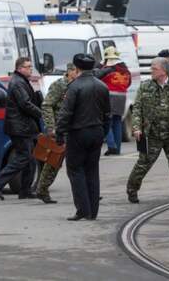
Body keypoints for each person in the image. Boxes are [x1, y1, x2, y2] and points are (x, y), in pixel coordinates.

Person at [126, 57, 169, 206]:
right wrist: (137, 128)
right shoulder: (146, 87)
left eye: (154, 68)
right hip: (152, 134)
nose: (151, 71)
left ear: (163, 71)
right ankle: (132, 190)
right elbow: (137, 108)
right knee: (143, 164)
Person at [56, 54, 110, 221]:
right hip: (97, 132)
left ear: (77, 68)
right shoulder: (102, 86)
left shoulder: (74, 87)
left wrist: (59, 133)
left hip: (78, 133)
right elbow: (107, 113)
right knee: (92, 170)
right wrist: (104, 132)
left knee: (75, 170)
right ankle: (93, 211)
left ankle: (82, 210)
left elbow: (66, 113)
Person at [0, 57, 42, 200]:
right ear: (19, 68)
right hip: (20, 127)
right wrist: (41, 113)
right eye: (28, 66)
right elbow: (25, 104)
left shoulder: (22, 81)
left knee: (30, 159)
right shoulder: (18, 83)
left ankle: (25, 190)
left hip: (24, 126)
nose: (30, 69)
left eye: (31, 66)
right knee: (24, 157)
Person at [35, 63, 78, 204]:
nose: (78, 74)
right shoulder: (59, 85)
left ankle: (83, 191)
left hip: (75, 130)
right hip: (60, 130)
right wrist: (51, 127)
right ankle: (42, 189)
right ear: (70, 71)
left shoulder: (79, 85)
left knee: (77, 163)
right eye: (76, 71)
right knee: (54, 162)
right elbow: (47, 105)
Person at [98, 46, 132, 156]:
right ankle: (117, 149)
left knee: (107, 121)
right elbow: (129, 83)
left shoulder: (106, 70)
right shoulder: (125, 71)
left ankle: (112, 146)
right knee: (117, 122)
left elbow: (98, 81)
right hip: (122, 97)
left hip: (109, 97)